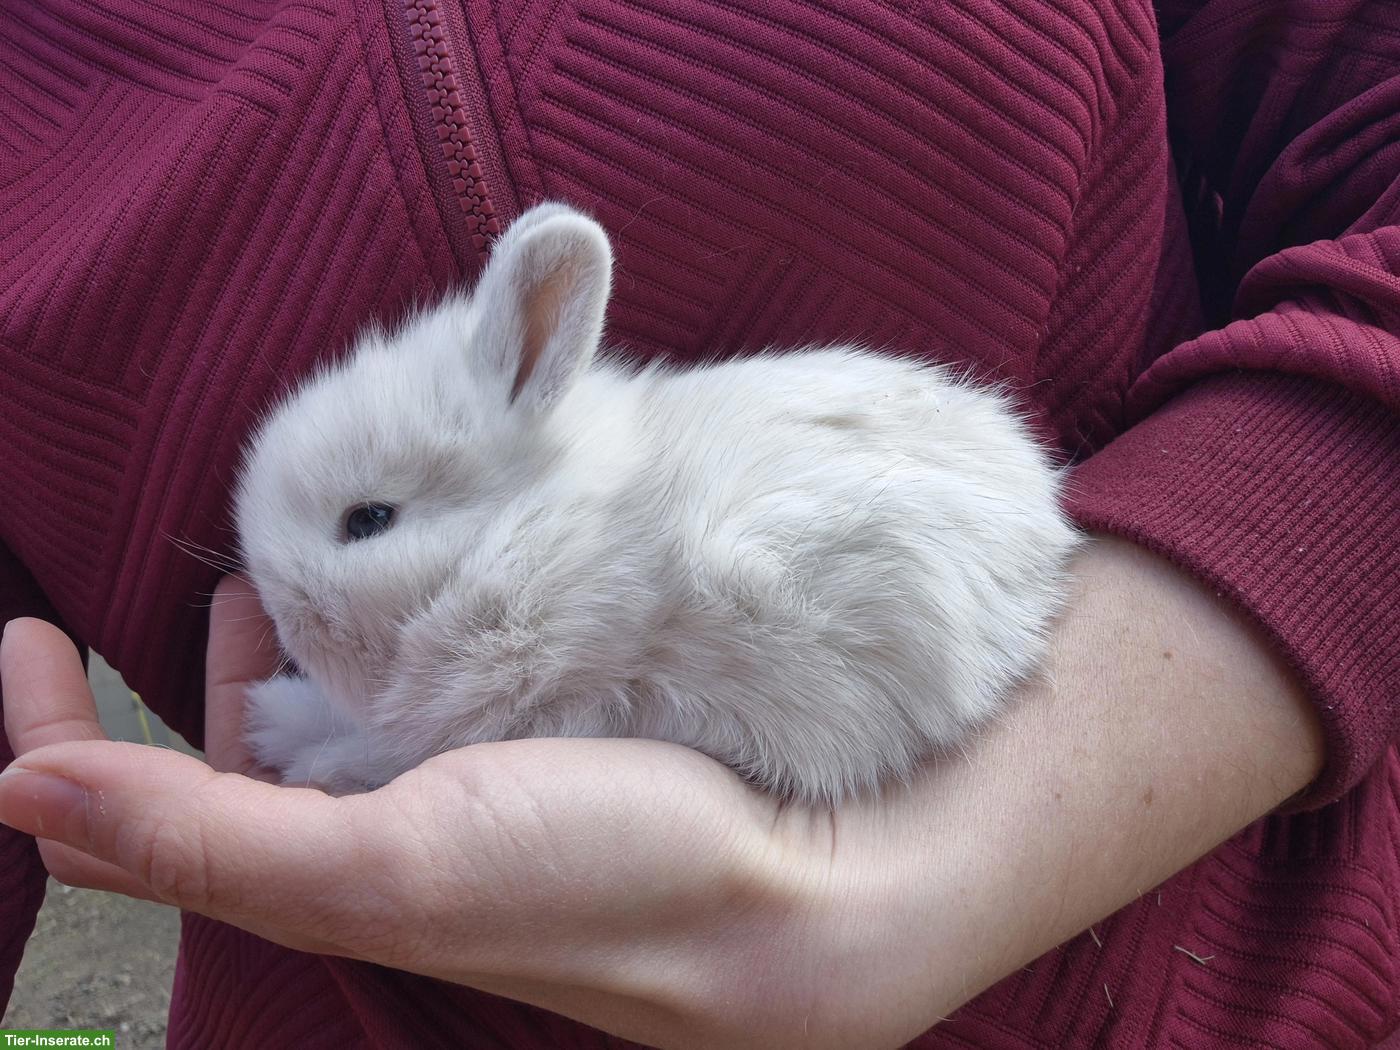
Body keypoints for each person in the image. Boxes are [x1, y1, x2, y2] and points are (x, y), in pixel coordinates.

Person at [0, 2, 1396, 1047]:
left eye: (366, 523)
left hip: (1207, 956)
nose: (282, 595)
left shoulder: (565, 549)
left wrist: (960, 857)